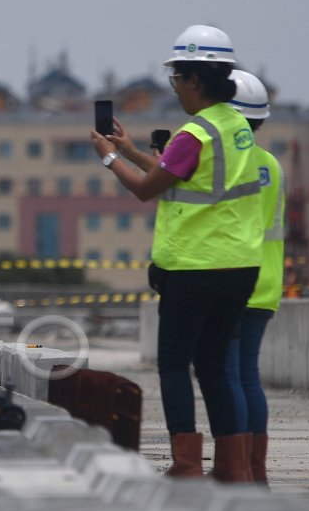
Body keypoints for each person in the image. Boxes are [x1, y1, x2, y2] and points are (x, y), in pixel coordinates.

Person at [90, 25, 262, 482]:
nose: (175, 90)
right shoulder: (236, 128)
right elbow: (180, 176)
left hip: (194, 268)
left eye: (176, 80)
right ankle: (234, 468)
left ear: (194, 80)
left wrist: (110, 160)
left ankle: (186, 465)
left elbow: (148, 190)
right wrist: (129, 149)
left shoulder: (195, 132)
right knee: (214, 367)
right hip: (240, 267)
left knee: (174, 364)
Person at [223, 70, 284, 485]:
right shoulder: (270, 164)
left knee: (228, 376)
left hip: (231, 280)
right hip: (266, 284)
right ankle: (255, 470)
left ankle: (235, 468)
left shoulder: (230, 162)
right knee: (248, 375)